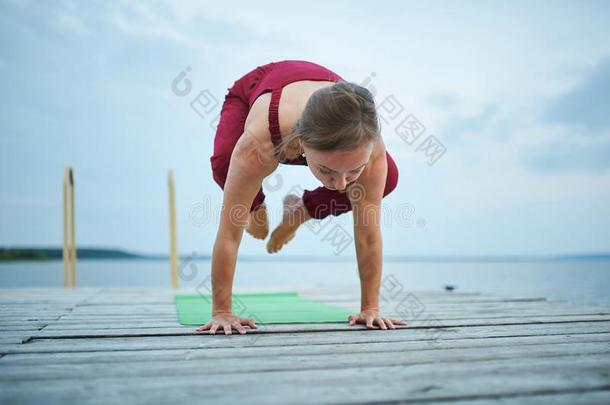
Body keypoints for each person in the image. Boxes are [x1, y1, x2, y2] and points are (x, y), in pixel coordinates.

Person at [197, 60, 407, 335]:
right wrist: (222, 312)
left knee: (386, 179)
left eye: (354, 169)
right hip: (257, 91)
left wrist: (370, 308)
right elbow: (228, 233)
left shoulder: (372, 147)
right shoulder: (260, 141)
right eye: (327, 170)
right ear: (301, 145)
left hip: (333, 108)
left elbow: (368, 234)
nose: (341, 185)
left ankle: (303, 208)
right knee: (226, 164)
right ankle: (254, 206)